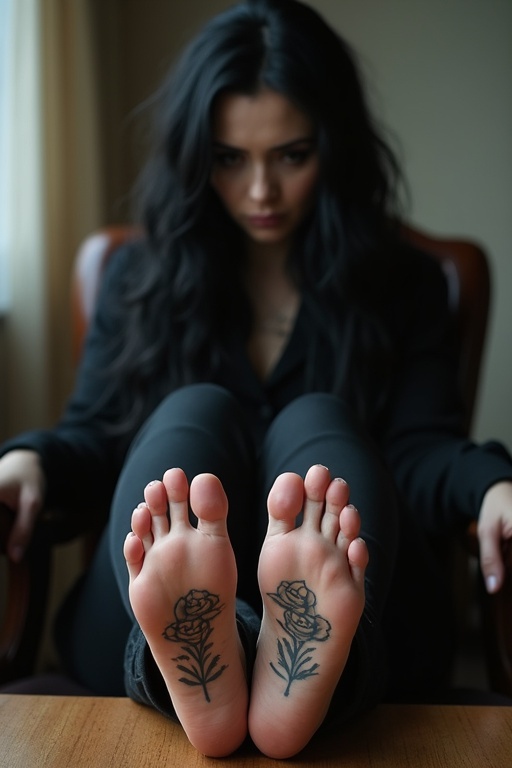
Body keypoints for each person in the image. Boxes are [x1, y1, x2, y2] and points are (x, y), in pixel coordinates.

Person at [1, 0, 512, 758]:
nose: (261, 191)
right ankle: (202, 655)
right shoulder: (140, 276)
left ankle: (302, 658)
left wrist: (493, 484)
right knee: (192, 412)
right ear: (193, 156)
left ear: (334, 148)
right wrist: (28, 459)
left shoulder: (400, 284)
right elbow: (98, 432)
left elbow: (419, 448)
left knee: (319, 422)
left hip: (368, 601)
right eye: (230, 158)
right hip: (144, 614)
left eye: (292, 154)